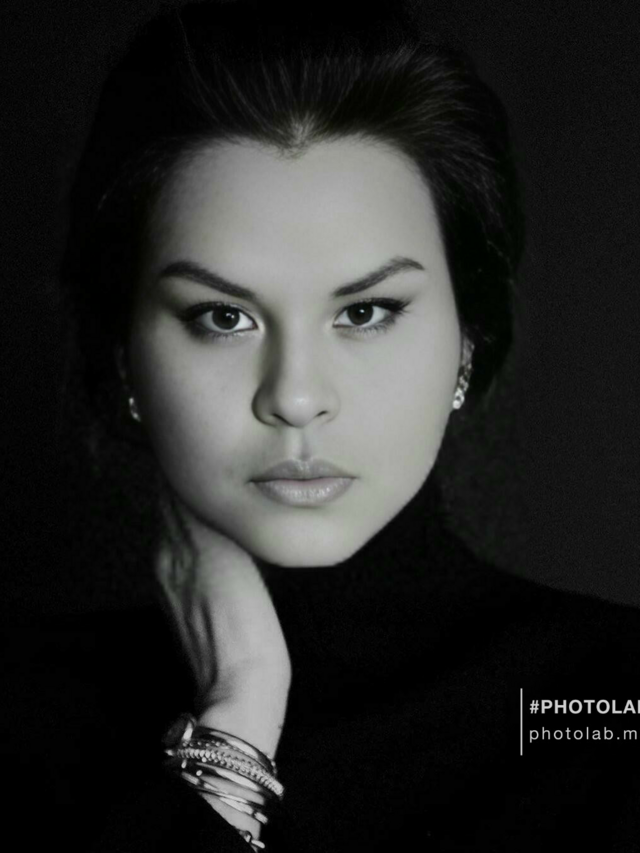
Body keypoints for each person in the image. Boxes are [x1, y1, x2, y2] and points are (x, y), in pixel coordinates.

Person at [4, 2, 640, 851]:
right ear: (124, 358)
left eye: (366, 311)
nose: (297, 397)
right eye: (223, 317)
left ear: (468, 339)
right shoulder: (26, 714)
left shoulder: (608, 702)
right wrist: (238, 713)